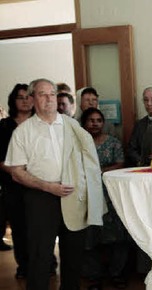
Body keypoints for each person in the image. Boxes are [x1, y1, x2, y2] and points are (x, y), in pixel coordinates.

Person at [5, 78, 105, 290]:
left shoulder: (72, 126)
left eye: (52, 94)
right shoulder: (23, 131)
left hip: (72, 195)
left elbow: (88, 163)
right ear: (32, 99)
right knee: (40, 256)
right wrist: (47, 186)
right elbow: (16, 172)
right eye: (42, 94)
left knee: (73, 257)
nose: (49, 98)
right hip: (39, 197)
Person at [80, 107, 129, 289]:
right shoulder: (79, 143)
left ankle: (116, 274)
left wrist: (98, 171)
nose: (95, 123)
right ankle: (93, 277)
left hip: (110, 194)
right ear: (84, 123)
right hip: (86, 195)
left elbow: (120, 163)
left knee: (116, 236)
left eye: (98, 120)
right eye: (91, 120)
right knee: (89, 237)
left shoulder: (113, 142)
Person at [0, 84, 33, 278]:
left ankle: (47, 263)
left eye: (28, 96)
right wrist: (18, 172)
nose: (25, 100)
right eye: (20, 97)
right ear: (13, 100)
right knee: (19, 227)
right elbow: (1, 159)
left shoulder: (40, 124)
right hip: (13, 184)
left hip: (39, 183)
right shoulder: (4, 127)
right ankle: (24, 266)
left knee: (39, 227)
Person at [126, 86, 152, 167]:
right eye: (146, 100)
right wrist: (140, 162)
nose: (149, 103)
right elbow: (131, 149)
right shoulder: (139, 124)